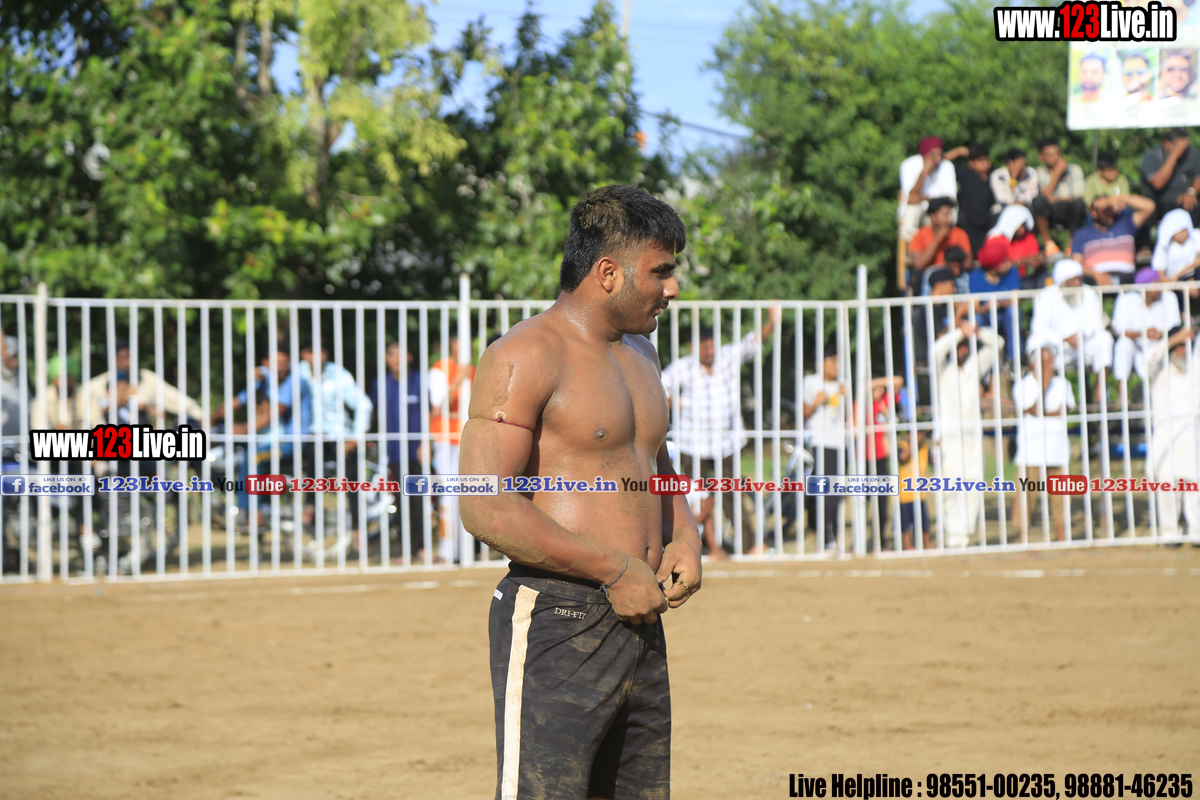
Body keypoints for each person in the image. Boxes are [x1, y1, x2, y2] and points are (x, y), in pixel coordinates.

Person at [456, 184, 702, 800]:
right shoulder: (524, 354)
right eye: (661, 271)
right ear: (608, 272)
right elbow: (484, 504)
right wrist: (613, 569)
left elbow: (655, 461)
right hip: (557, 618)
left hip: (641, 616)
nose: (673, 288)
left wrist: (684, 534)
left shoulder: (642, 353)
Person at [661, 307, 780, 558]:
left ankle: (748, 546)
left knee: (731, 493)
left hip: (727, 443)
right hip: (693, 443)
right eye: (704, 346)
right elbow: (660, 386)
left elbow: (752, 342)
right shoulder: (683, 367)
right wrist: (676, 403)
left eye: (712, 345)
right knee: (695, 497)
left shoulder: (727, 357)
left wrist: (771, 320)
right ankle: (698, 546)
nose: (709, 350)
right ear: (693, 348)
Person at [213, 341, 313, 520]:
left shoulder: (295, 382)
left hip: (291, 443)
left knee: (253, 458)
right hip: (270, 440)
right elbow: (238, 401)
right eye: (277, 363)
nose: (282, 367)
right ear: (266, 363)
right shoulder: (266, 380)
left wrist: (243, 429)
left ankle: (254, 515)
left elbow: (272, 414)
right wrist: (210, 418)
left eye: (285, 362)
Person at [933, 318, 1001, 548]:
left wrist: (976, 331)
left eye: (964, 346)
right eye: (958, 346)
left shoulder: (974, 366)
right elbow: (935, 351)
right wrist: (958, 333)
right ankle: (952, 534)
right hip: (950, 435)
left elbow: (998, 344)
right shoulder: (942, 369)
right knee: (951, 484)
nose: (962, 350)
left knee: (973, 482)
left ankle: (965, 531)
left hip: (972, 434)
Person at [298, 338, 373, 531]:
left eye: (322, 351)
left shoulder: (338, 374)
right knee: (312, 453)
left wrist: (356, 437)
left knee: (352, 477)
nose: (318, 356)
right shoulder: (297, 373)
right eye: (312, 352)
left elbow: (363, 404)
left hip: (339, 435)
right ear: (304, 354)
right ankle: (311, 506)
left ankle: (358, 530)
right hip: (310, 435)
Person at [369, 341, 431, 562]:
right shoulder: (380, 384)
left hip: (417, 450)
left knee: (419, 500)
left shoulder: (419, 381)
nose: (397, 359)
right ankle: (405, 548)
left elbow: (429, 413)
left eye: (401, 354)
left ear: (410, 357)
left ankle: (421, 546)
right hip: (394, 452)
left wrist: (426, 443)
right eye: (392, 355)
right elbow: (375, 416)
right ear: (386, 358)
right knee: (401, 500)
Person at [1010, 345, 1076, 542]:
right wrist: (1044, 387)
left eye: (1051, 361)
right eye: (1045, 362)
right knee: (1026, 495)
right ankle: (1023, 537)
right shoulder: (1022, 385)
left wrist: (1043, 413)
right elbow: (1032, 409)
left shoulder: (1063, 383)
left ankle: (1061, 535)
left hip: (1057, 448)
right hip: (1031, 450)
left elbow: (1064, 410)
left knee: (1061, 495)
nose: (1049, 366)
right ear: (1033, 365)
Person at [1147, 326, 1200, 539]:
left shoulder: (1195, 370)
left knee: (1194, 490)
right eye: (1178, 346)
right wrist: (1175, 338)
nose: (1183, 351)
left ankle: (1196, 533)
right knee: (1167, 490)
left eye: (1186, 346)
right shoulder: (1159, 371)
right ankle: (1170, 534)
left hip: (1192, 438)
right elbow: (1149, 358)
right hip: (1166, 440)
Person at [78, 340, 202, 429]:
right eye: (123, 357)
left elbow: (173, 398)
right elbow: (82, 413)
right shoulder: (94, 385)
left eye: (130, 356)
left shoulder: (147, 378)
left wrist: (199, 415)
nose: (128, 361)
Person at [428, 334, 475, 562]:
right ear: (452, 344)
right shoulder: (440, 369)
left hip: (467, 437)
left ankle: (466, 551)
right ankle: (448, 552)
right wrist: (457, 380)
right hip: (445, 437)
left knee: (468, 495)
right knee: (448, 494)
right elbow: (438, 407)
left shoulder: (474, 371)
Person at [1027, 260, 1115, 376]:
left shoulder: (1088, 292)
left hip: (1084, 345)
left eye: (1079, 279)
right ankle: (1044, 385)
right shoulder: (1047, 295)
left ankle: (1100, 386)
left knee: (1104, 338)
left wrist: (1080, 336)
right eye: (1072, 280)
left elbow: (1096, 324)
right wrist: (1062, 338)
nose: (1077, 283)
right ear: (1062, 282)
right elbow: (1038, 327)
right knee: (1034, 342)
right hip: (1057, 349)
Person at [803, 348, 849, 553]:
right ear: (821, 363)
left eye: (838, 362)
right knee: (826, 491)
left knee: (836, 492)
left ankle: (831, 537)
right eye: (832, 361)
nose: (836, 366)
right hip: (821, 441)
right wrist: (816, 402)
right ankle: (827, 538)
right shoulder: (811, 382)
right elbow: (803, 412)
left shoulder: (843, 384)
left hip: (840, 443)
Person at [1112, 268, 1183, 383]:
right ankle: (1122, 390)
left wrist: (1161, 334)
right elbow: (1120, 331)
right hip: (1136, 346)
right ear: (1143, 288)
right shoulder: (1126, 300)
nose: (1159, 288)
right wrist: (1142, 333)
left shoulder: (1169, 297)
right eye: (1156, 285)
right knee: (1123, 344)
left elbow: (1175, 328)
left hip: (1161, 346)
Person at [1070, 192, 1156, 285]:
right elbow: (1076, 263)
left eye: (1109, 209)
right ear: (1093, 212)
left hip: (1127, 279)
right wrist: (1096, 274)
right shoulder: (1082, 234)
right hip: (1095, 281)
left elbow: (1150, 207)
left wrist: (1115, 199)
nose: (1108, 213)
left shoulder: (1126, 224)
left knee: (1151, 276)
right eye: (1103, 210)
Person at [898, 136, 964, 241]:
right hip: (920, 210)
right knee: (911, 209)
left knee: (946, 212)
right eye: (934, 155)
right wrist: (924, 172)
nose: (938, 158)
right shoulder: (908, 165)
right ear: (924, 154)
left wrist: (924, 198)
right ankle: (910, 243)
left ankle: (943, 244)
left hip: (938, 210)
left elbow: (950, 199)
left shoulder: (946, 166)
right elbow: (911, 199)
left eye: (940, 154)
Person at [1032, 138, 1087, 256]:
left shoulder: (1074, 169)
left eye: (1057, 154)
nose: (1055, 158)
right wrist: (1057, 173)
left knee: (1078, 205)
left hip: (1069, 210)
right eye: (1050, 155)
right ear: (1041, 157)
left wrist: (1055, 198)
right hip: (1049, 212)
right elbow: (1043, 197)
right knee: (1038, 202)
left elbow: (1079, 196)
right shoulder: (1037, 172)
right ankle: (1049, 245)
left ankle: (1071, 246)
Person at [969, 240, 1021, 363]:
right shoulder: (975, 276)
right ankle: (980, 361)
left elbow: (1016, 300)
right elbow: (975, 306)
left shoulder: (1012, 272)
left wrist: (999, 303)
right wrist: (985, 309)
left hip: (1004, 315)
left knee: (1013, 312)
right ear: (995, 266)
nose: (1009, 263)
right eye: (1005, 261)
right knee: (976, 319)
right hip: (985, 316)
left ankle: (1013, 359)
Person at [1139, 128, 1200, 227]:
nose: (1183, 149)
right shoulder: (1151, 156)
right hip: (1159, 201)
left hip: (1186, 200)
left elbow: (1198, 178)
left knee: (1192, 205)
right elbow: (1158, 183)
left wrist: (1191, 192)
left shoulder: (1192, 153)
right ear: (1167, 144)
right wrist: (1175, 154)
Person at [953, 144, 998, 254]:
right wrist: (958, 151)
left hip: (987, 216)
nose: (985, 163)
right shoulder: (965, 172)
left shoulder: (994, 173)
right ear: (971, 163)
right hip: (968, 218)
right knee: (962, 219)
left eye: (986, 159)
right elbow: (941, 163)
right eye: (980, 160)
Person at [980, 205, 1043, 281]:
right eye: (1019, 225)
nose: (1022, 229)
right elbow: (995, 267)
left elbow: (1034, 260)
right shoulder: (996, 240)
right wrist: (1021, 262)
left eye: (1023, 225)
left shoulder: (1029, 237)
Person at [909, 197, 974, 271]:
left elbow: (968, 263)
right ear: (933, 217)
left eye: (950, 214)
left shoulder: (959, 233)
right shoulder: (920, 235)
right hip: (930, 274)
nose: (949, 218)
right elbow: (918, 264)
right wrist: (937, 240)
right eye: (945, 214)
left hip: (955, 273)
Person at [895, 434, 931, 551]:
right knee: (905, 523)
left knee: (924, 521)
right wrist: (912, 445)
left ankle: (926, 543)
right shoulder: (903, 446)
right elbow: (902, 458)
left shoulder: (925, 448)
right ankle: (907, 545)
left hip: (920, 493)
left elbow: (933, 461)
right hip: (905, 494)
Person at [1151, 208, 1200, 282]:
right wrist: (1174, 283)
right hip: (1174, 281)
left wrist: (1178, 274)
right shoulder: (1163, 245)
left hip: (1194, 276)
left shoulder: (1196, 236)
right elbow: (1160, 272)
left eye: (1183, 230)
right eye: (1178, 232)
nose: (1181, 235)